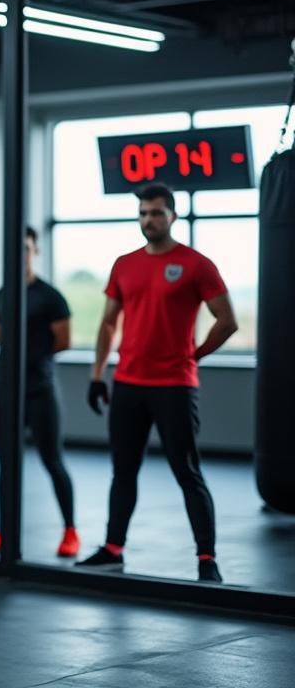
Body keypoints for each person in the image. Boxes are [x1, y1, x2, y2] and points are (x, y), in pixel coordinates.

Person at [77, 183, 236, 583]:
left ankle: (206, 558)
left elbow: (227, 320)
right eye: (143, 213)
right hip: (129, 383)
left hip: (174, 386)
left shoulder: (197, 264)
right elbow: (110, 321)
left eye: (157, 213)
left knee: (186, 471)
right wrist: (98, 375)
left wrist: (195, 355)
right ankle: (113, 548)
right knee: (123, 470)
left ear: (173, 216)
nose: (149, 220)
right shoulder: (124, 264)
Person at [0, 226, 78, 558]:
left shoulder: (50, 297)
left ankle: (70, 532)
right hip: (6, 391)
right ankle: (5, 532)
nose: (21, 253)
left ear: (35, 251)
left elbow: (63, 341)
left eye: (26, 247)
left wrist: (32, 357)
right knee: (6, 464)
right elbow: (1, 338)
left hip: (40, 390)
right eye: (15, 248)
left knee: (53, 461)